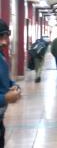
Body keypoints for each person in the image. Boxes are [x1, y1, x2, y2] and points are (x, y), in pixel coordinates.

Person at [0, 19, 21, 147]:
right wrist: (4, 98)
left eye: (6, 36)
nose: (4, 41)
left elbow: (5, 80)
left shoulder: (1, 56)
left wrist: (13, 85)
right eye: (0, 37)